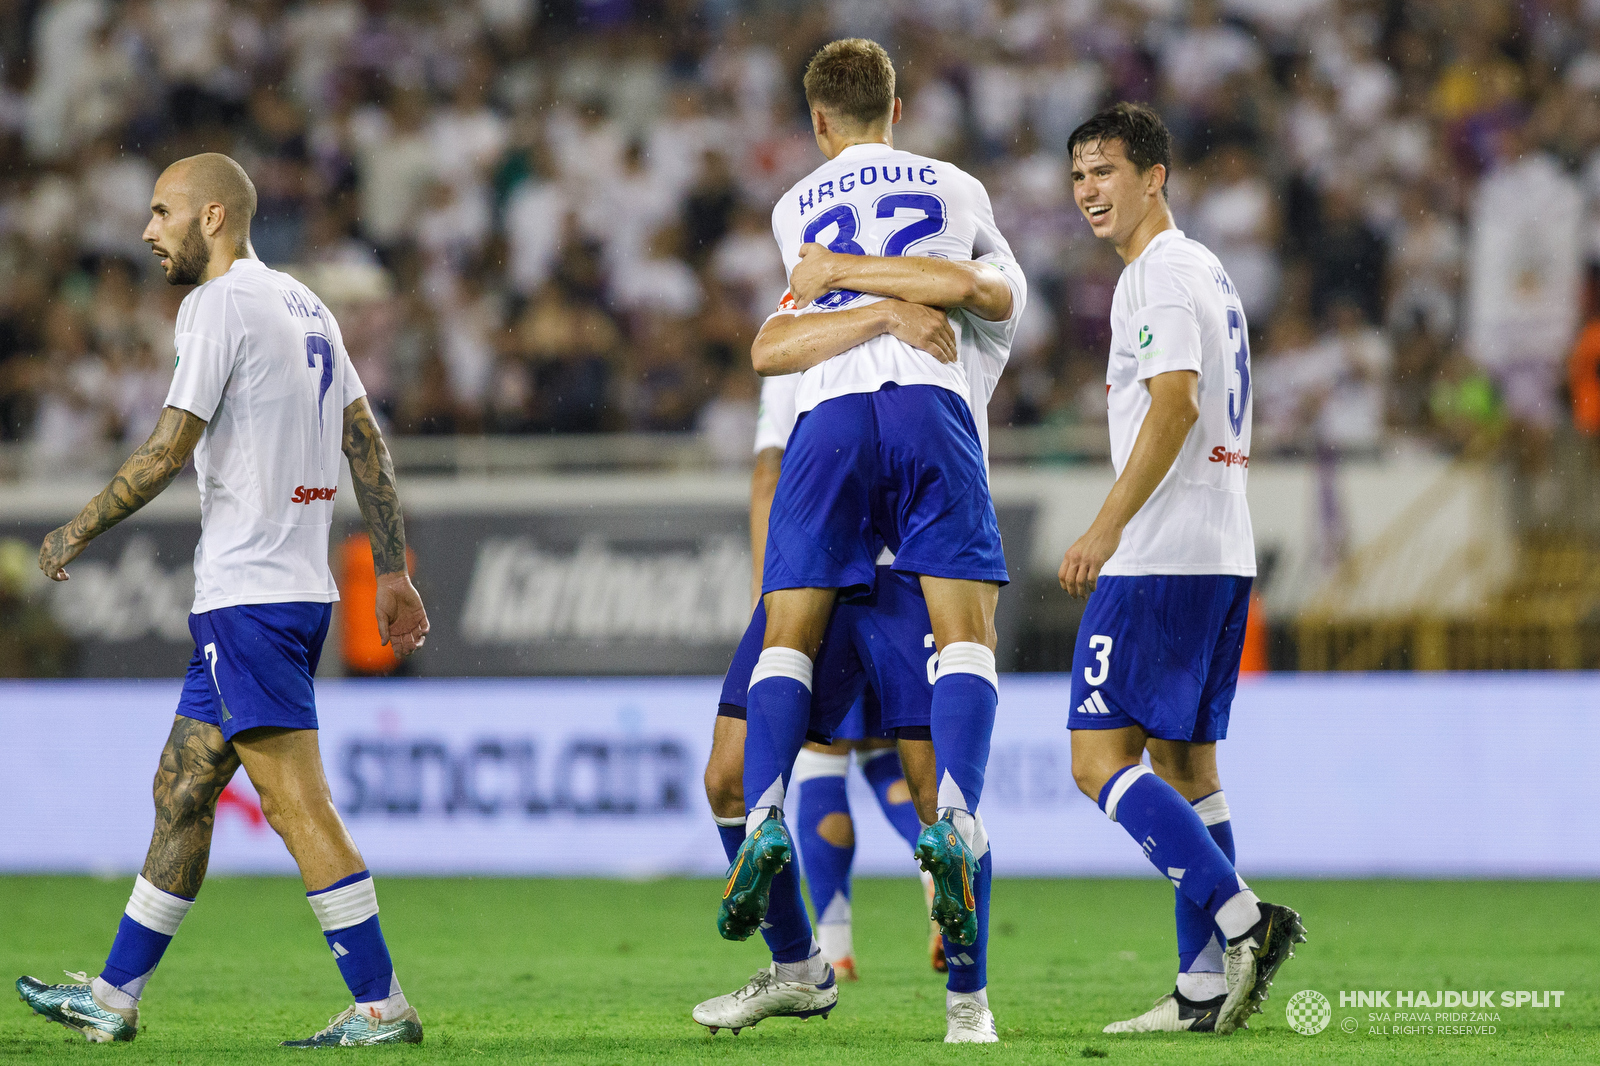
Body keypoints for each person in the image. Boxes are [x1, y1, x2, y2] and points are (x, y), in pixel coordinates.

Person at [16, 154, 431, 1048]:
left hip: (250, 596)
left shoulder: (215, 306)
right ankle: (115, 997)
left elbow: (169, 448)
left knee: (294, 806)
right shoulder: (307, 304)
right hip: (284, 592)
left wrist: (76, 529)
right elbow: (367, 443)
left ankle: (380, 1005)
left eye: (161, 212)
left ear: (213, 216)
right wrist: (391, 569)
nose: (146, 231)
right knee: (182, 786)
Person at [718, 37, 1027, 1043]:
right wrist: (901, 301)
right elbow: (991, 291)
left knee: (785, 648)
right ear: (897, 106)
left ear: (816, 122)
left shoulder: (794, 207)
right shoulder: (955, 187)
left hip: (826, 430)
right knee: (963, 648)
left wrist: (850, 288)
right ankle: (965, 983)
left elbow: (773, 344)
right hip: (929, 418)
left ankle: (763, 820)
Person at [1057, 103, 1303, 1037]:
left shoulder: (1156, 274)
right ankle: (1202, 991)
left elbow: (1173, 407)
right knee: (1188, 766)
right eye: (1078, 176)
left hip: (1159, 556)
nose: (1089, 191)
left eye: (1105, 172)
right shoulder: (1208, 269)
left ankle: (1243, 918)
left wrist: (1104, 528)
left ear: (1154, 176)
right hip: (1220, 547)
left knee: (1096, 762)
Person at [693, 369, 947, 1038]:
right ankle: (806, 961)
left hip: (883, 574)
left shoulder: (836, 324)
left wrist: (764, 583)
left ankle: (881, 959)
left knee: (858, 768)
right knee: (738, 775)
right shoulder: (810, 328)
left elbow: (766, 478)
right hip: (845, 568)